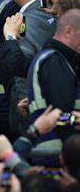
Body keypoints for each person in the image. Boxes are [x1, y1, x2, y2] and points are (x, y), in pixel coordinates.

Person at [0, 0, 57, 134]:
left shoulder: (20, 22)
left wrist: (22, 111)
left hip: (32, 107)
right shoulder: (56, 8)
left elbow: (20, 69)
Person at [27, 9, 80, 166]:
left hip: (55, 153)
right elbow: (61, 112)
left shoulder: (55, 59)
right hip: (59, 156)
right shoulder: (55, 62)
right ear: (68, 31)